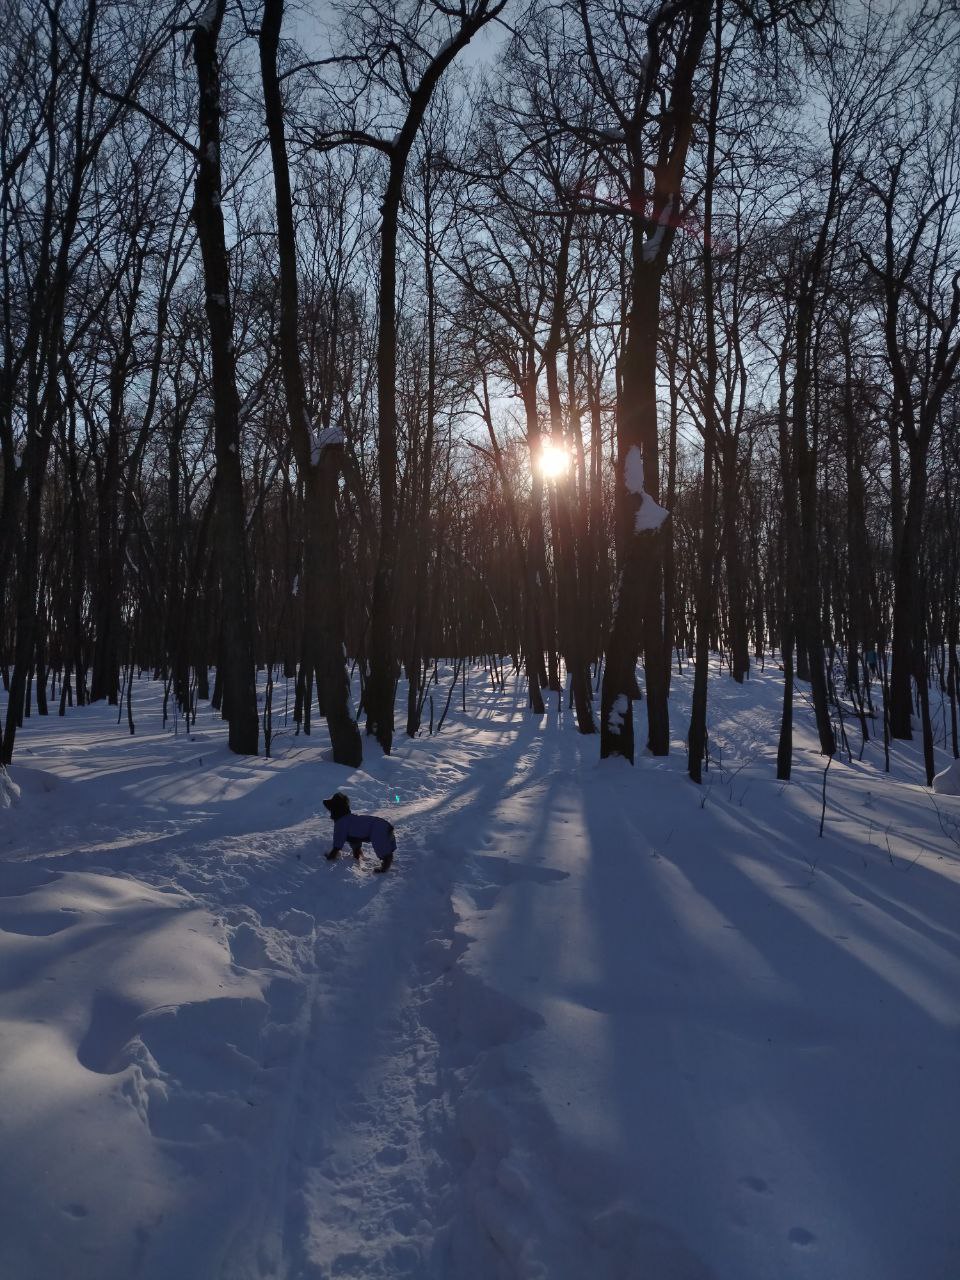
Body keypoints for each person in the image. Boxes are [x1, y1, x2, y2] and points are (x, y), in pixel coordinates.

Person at [323, 792, 396, 873]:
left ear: (334, 809)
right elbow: (354, 839)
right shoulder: (349, 819)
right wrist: (356, 852)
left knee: (381, 845)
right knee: (381, 844)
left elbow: (338, 843)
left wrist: (331, 856)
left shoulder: (341, 823)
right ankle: (384, 858)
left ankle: (385, 866)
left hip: (378, 828)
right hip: (382, 825)